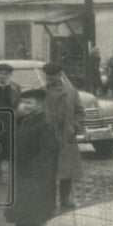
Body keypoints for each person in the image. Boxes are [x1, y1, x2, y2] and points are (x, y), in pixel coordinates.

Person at [4, 88, 58, 226]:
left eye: (29, 102)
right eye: (23, 102)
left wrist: (30, 173)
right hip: (22, 179)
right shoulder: (26, 121)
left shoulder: (46, 125)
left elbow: (47, 155)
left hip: (36, 181)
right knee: (22, 217)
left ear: (40, 105)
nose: (25, 105)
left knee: (35, 218)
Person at [43, 62, 83, 209]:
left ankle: (65, 199)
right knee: (48, 170)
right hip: (47, 136)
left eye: (52, 75)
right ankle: (48, 199)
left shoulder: (71, 91)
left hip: (67, 136)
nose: (49, 78)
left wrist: (75, 126)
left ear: (59, 75)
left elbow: (79, 111)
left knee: (67, 170)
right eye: (47, 75)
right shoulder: (42, 92)